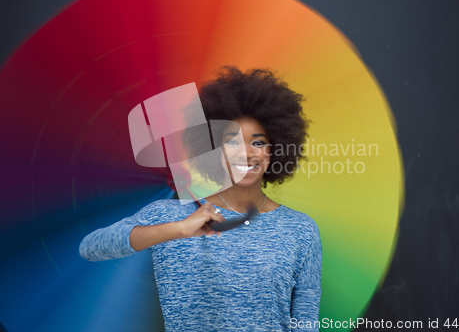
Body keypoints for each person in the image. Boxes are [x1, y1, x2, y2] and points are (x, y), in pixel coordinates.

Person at [79, 66, 322, 331]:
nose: (246, 153)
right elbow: (90, 247)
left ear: (274, 150)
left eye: (258, 142)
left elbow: (305, 322)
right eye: (231, 142)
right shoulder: (170, 215)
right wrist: (180, 229)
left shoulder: (300, 230)